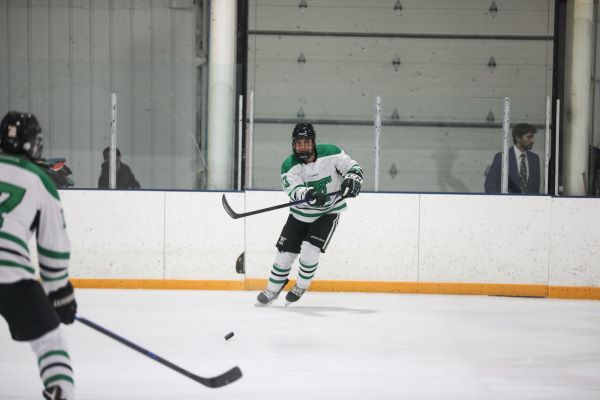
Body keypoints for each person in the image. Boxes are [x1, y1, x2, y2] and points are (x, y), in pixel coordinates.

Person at [0, 112, 77, 400]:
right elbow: (53, 245)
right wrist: (60, 292)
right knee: (49, 339)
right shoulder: (39, 180)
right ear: (32, 144)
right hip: (12, 276)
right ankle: (60, 390)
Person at [257, 122, 363, 305]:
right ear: (293, 145)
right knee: (284, 255)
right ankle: (273, 288)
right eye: (298, 143)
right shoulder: (289, 165)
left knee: (309, 251)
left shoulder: (332, 152)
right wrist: (309, 194)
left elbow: (352, 167)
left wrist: (353, 179)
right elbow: (294, 190)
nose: (302, 147)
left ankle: (301, 285)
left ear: (313, 142)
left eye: (306, 142)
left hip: (328, 212)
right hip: (299, 214)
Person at [484, 123, 541, 194]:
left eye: (532, 137)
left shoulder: (534, 159)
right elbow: (490, 186)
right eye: (529, 137)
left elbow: (536, 188)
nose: (532, 140)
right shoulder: (502, 157)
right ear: (518, 138)